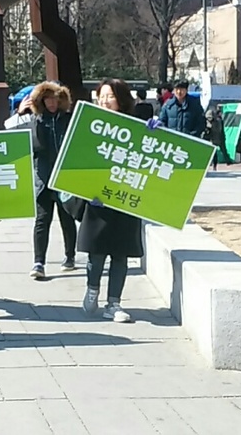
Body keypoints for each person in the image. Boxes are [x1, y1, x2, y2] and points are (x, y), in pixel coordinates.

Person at [79, 80, 146, 322]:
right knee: (96, 254)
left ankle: (114, 304)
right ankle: (92, 289)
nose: (105, 101)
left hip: (125, 200)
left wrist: (154, 132)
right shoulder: (89, 124)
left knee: (121, 254)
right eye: (101, 96)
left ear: (121, 98)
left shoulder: (137, 126)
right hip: (97, 199)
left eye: (110, 96)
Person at [5, 81, 77, 280]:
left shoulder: (69, 119)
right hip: (43, 177)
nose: (52, 103)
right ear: (41, 101)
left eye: (55, 99)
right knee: (42, 220)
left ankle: (70, 256)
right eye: (47, 99)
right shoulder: (34, 120)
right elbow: (9, 132)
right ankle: (39, 262)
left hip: (64, 178)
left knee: (67, 219)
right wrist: (19, 113)